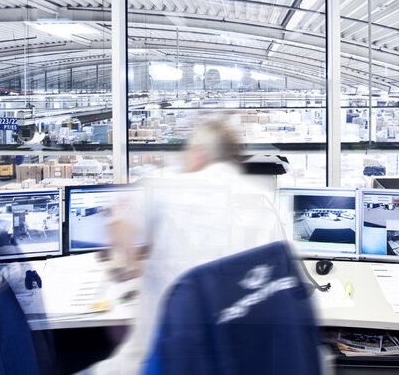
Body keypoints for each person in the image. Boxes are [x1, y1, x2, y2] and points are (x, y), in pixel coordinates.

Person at [93, 117, 285, 375]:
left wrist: (128, 261)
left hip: (161, 362)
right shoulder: (264, 204)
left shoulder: (162, 188)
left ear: (199, 154)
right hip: (237, 363)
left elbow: (120, 230)